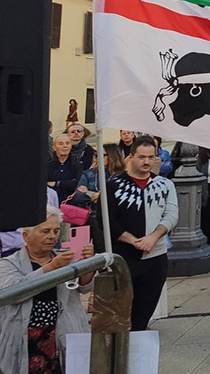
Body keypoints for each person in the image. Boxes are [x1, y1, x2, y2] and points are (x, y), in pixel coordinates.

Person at [0, 206, 95, 374]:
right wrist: (51, 268)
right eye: (45, 231)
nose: (52, 236)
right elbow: (13, 292)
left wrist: (87, 264)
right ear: (26, 235)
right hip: (25, 337)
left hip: (63, 332)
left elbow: (84, 286)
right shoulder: (9, 263)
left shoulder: (64, 257)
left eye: (56, 231)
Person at [108, 136, 180, 332]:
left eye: (151, 157)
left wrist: (153, 238)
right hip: (123, 258)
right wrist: (133, 240)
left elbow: (172, 214)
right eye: (141, 157)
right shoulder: (113, 185)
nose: (147, 161)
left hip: (155, 257)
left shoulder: (165, 185)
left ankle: (139, 343)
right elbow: (106, 220)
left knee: (144, 310)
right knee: (120, 311)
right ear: (131, 157)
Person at [46, 134, 82, 205]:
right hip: (51, 202)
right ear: (54, 147)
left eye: (67, 143)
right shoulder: (47, 164)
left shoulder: (77, 164)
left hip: (71, 203)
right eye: (61, 144)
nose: (65, 146)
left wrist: (57, 183)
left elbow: (77, 183)